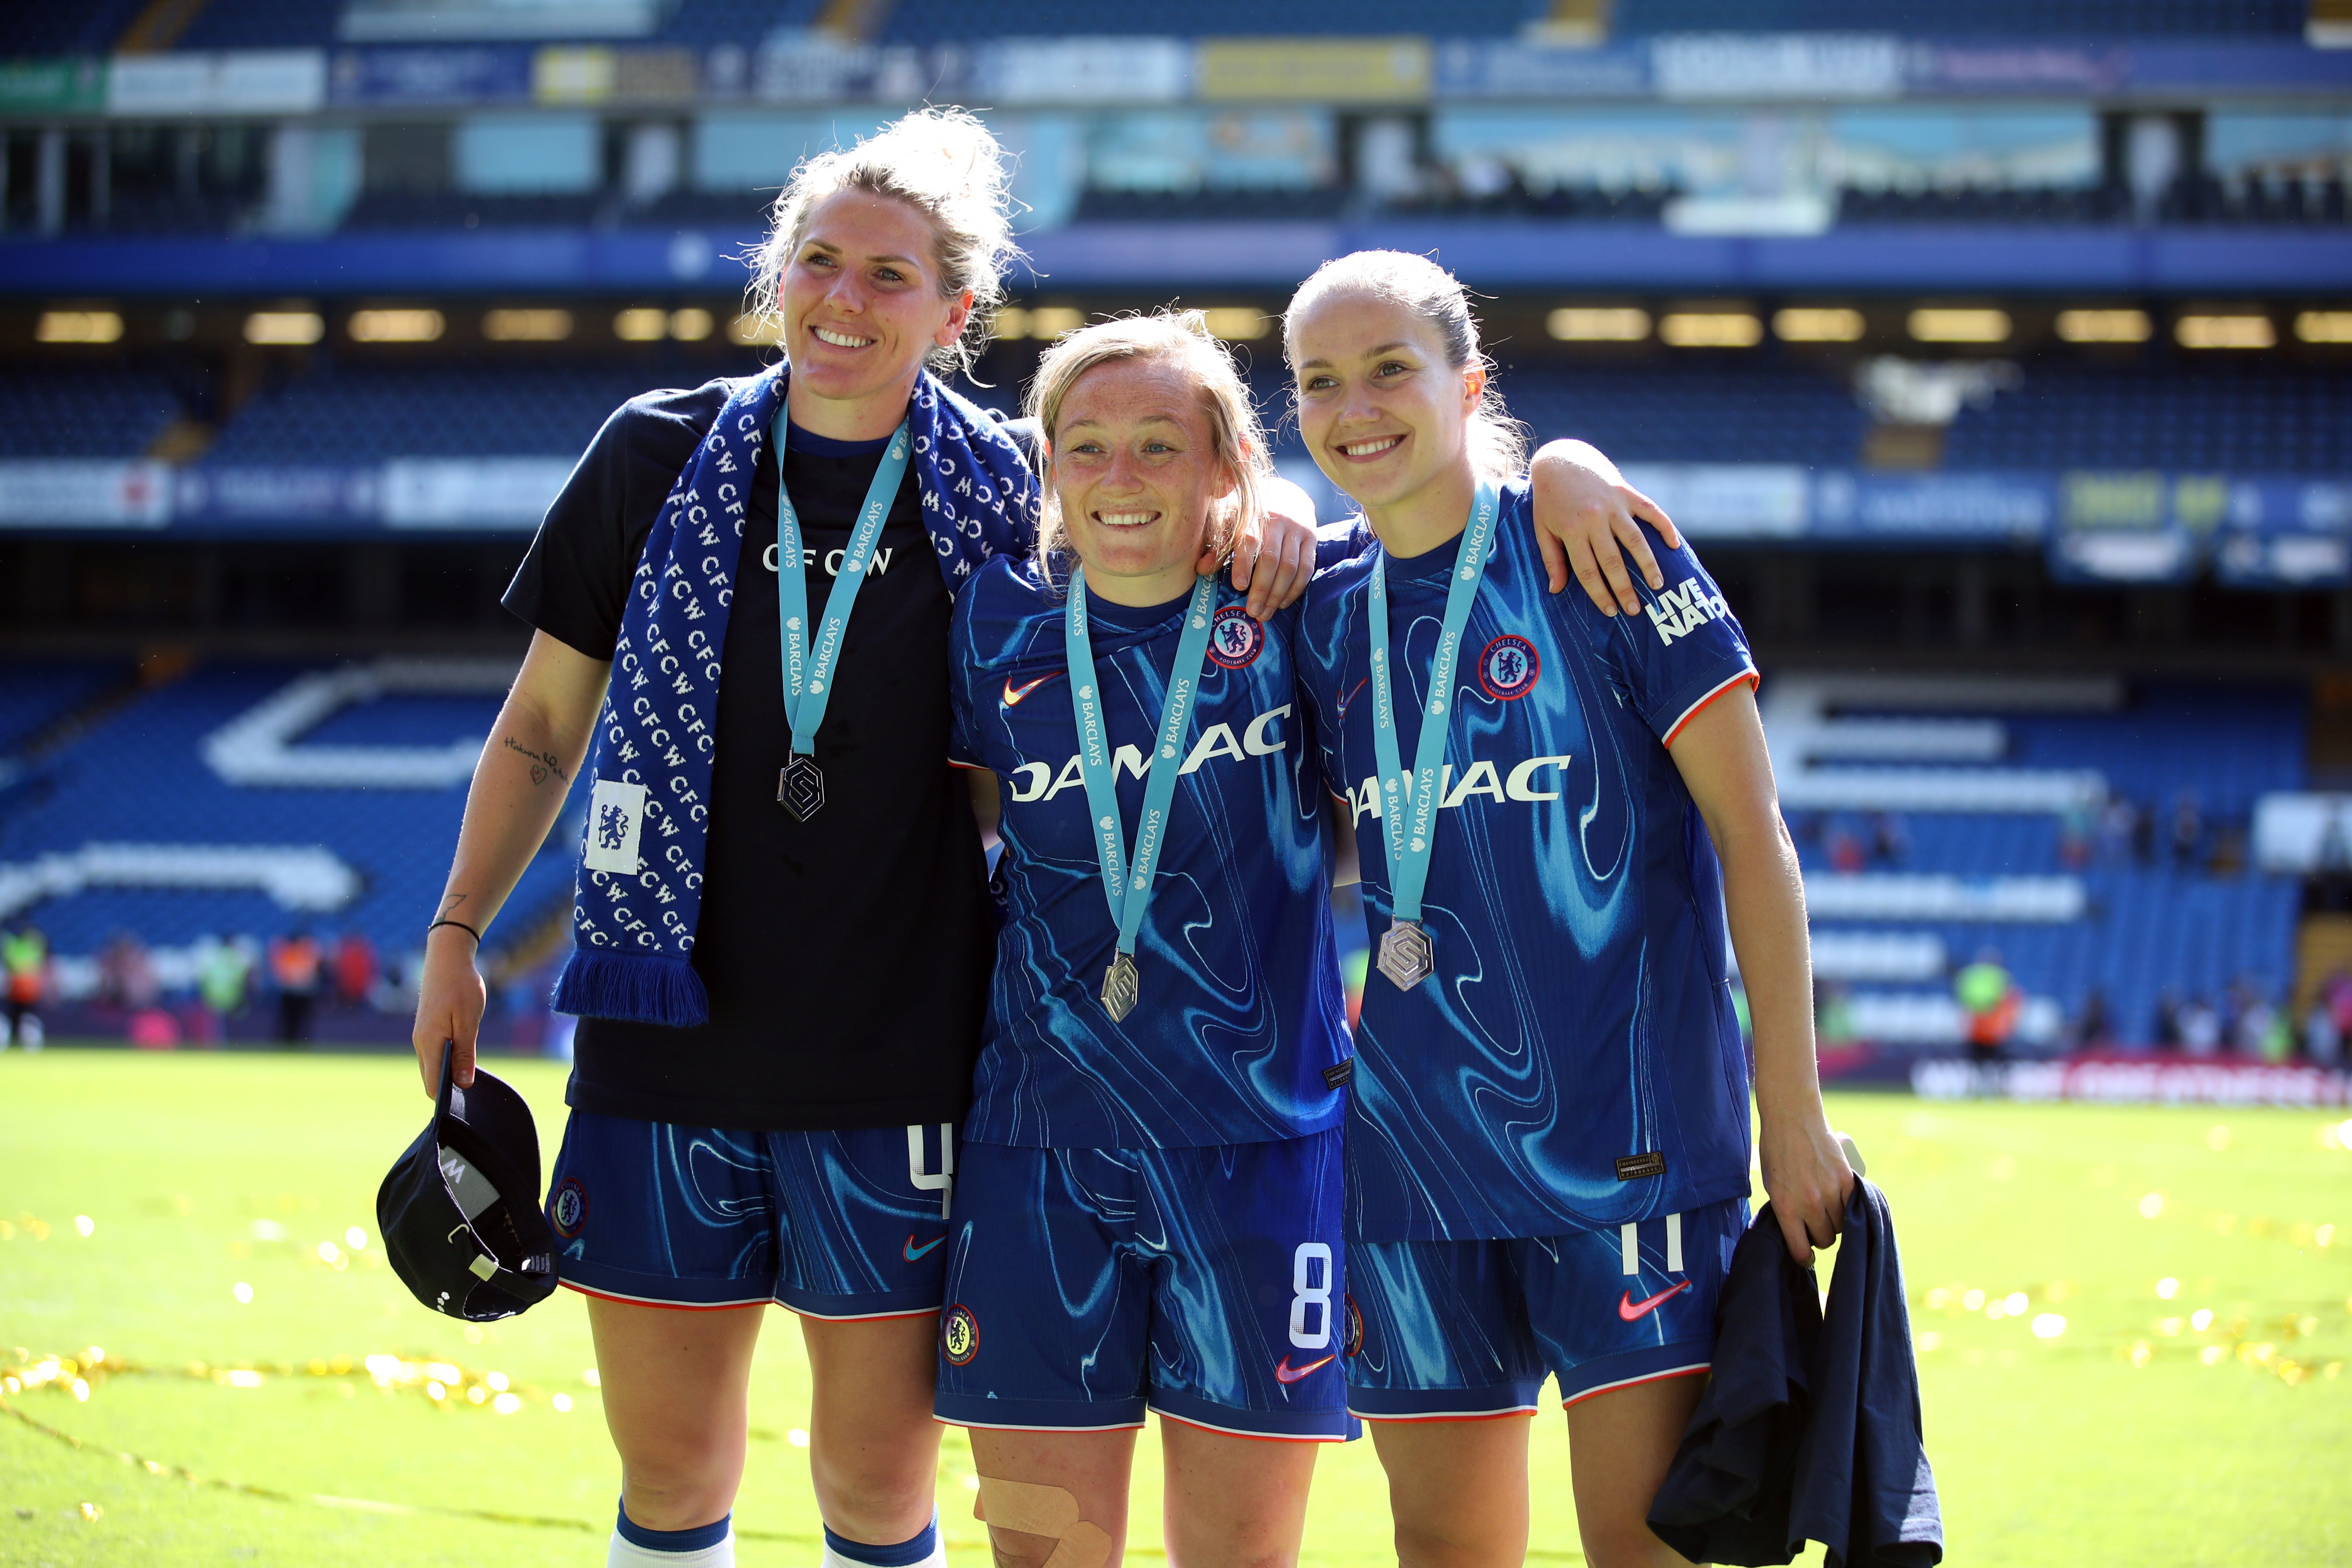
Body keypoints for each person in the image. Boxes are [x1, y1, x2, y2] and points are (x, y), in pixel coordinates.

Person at [407, 108, 1678, 1568]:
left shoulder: (1003, 485)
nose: (843, 296)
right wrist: (457, 928)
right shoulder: (656, 456)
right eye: (818, 260)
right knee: (672, 1470)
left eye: (890, 274)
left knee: (876, 1493)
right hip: (667, 1039)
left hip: (905, 1066)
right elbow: (539, 727)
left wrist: (1335, 496)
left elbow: (1167, 492)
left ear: (956, 312)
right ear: (777, 275)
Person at [1284, 250, 1853, 1568]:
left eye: (1389, 370)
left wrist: (1792, 1108)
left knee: (1646, 1546)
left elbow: (1753, 837)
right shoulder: (1317, 609)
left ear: (1468, 383)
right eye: (1318, 381)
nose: (1354, 407)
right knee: (1443, 1549)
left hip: (1629, 1154)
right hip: (1414, 1166)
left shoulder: (1603, 554)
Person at [938, 313, 1357, 1568]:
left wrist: (1293, 507)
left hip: (1260, 1150)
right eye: (1086, 444)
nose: (1118, 476)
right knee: (1045, 1558)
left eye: (1159, 445)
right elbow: (962, 829)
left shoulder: (1300, 602)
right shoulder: (992, 619)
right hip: (1039, 1148)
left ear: (1227, 461)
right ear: (1049, 464)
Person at [269, 928, 322, 1045]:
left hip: (302, 993)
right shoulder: (290, 954)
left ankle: (298, 1043)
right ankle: (287, 1043)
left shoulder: (305, 953)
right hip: (292, 992)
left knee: (301, 1021)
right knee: (288, 1020)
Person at [3, 923, 47, 1050]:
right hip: (20, 990)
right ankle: (30, 1045)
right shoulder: (30, 947)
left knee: (24, 1019)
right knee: (24, 1019)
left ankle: (29, 1044)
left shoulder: (16, 947)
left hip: (23, 991)